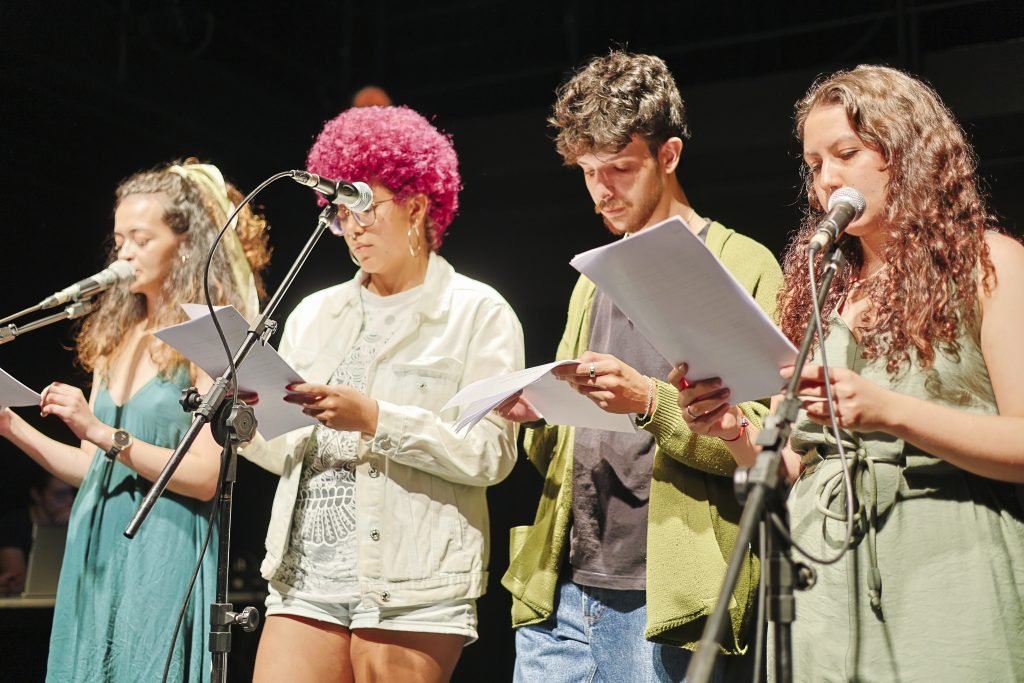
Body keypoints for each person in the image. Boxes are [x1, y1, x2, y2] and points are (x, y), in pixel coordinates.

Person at [673, 65, 1024, 681]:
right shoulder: (823, 288)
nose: (828, 179)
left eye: (847, 153)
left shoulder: (989, 262)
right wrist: (733, 430)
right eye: (814, 164)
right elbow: (795, 464)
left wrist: (890, 411)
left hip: (947, 564)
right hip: (825, 578)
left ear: (909, 152)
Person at [498, 50, 782, 681]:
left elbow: (764, 445)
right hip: (561, 591)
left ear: (670, 155)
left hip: (663, 593)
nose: (603, 190)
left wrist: (650, 402)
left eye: (621, 168)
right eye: (589, 171)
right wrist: (538, 410)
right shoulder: (593, 278)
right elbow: (561, 453)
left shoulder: (744, 264)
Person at [245, 105, 525, 683]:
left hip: (413, 585)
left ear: (419, 205)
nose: (353, 224)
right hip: (304, 580)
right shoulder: (315, 313)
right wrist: (247, 414)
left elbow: (491, 455)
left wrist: (374, 418)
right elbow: (285, 452)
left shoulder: (478, 313)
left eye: (366, 204)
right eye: (341, 208)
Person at [0, 159, 270, 681]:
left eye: (142, 239)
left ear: (185, 243)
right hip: (95, 540)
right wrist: (10, 425)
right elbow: (92, 471)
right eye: (120, 238)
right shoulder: (112, 339)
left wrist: (102, 432)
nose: (124, 252)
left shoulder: (207, 337)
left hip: (163, 543)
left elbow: (205, 477)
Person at [0, 468, 74, 594]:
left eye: (71, 494)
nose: (69, 501)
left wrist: (73, 527)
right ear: (37, 495)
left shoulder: (74, 522)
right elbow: (18, 581)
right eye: (60, 495)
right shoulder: (13, 526)